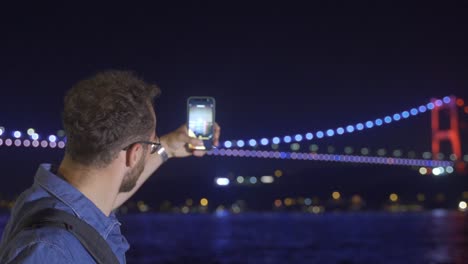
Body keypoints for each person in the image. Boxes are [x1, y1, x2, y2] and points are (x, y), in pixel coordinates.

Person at [0, 70, 220, 263]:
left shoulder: (45, 203)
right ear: (134, 154)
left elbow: (102, 197)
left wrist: (168, 148)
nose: (154, 148)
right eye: (152, 144)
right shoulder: (53, 253)